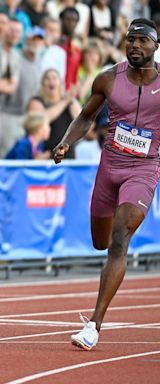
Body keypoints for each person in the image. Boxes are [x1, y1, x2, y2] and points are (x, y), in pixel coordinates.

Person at [53, 18, 160, 351]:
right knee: (100, 241)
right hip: (109, 167)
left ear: (156, 47)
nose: (135, 46)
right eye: (131, 40)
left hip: (143, 169)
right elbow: (86, 116)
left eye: (143, 41)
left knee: (118, 239)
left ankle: (94, 325)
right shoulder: (108, 79)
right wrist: (65, 142)